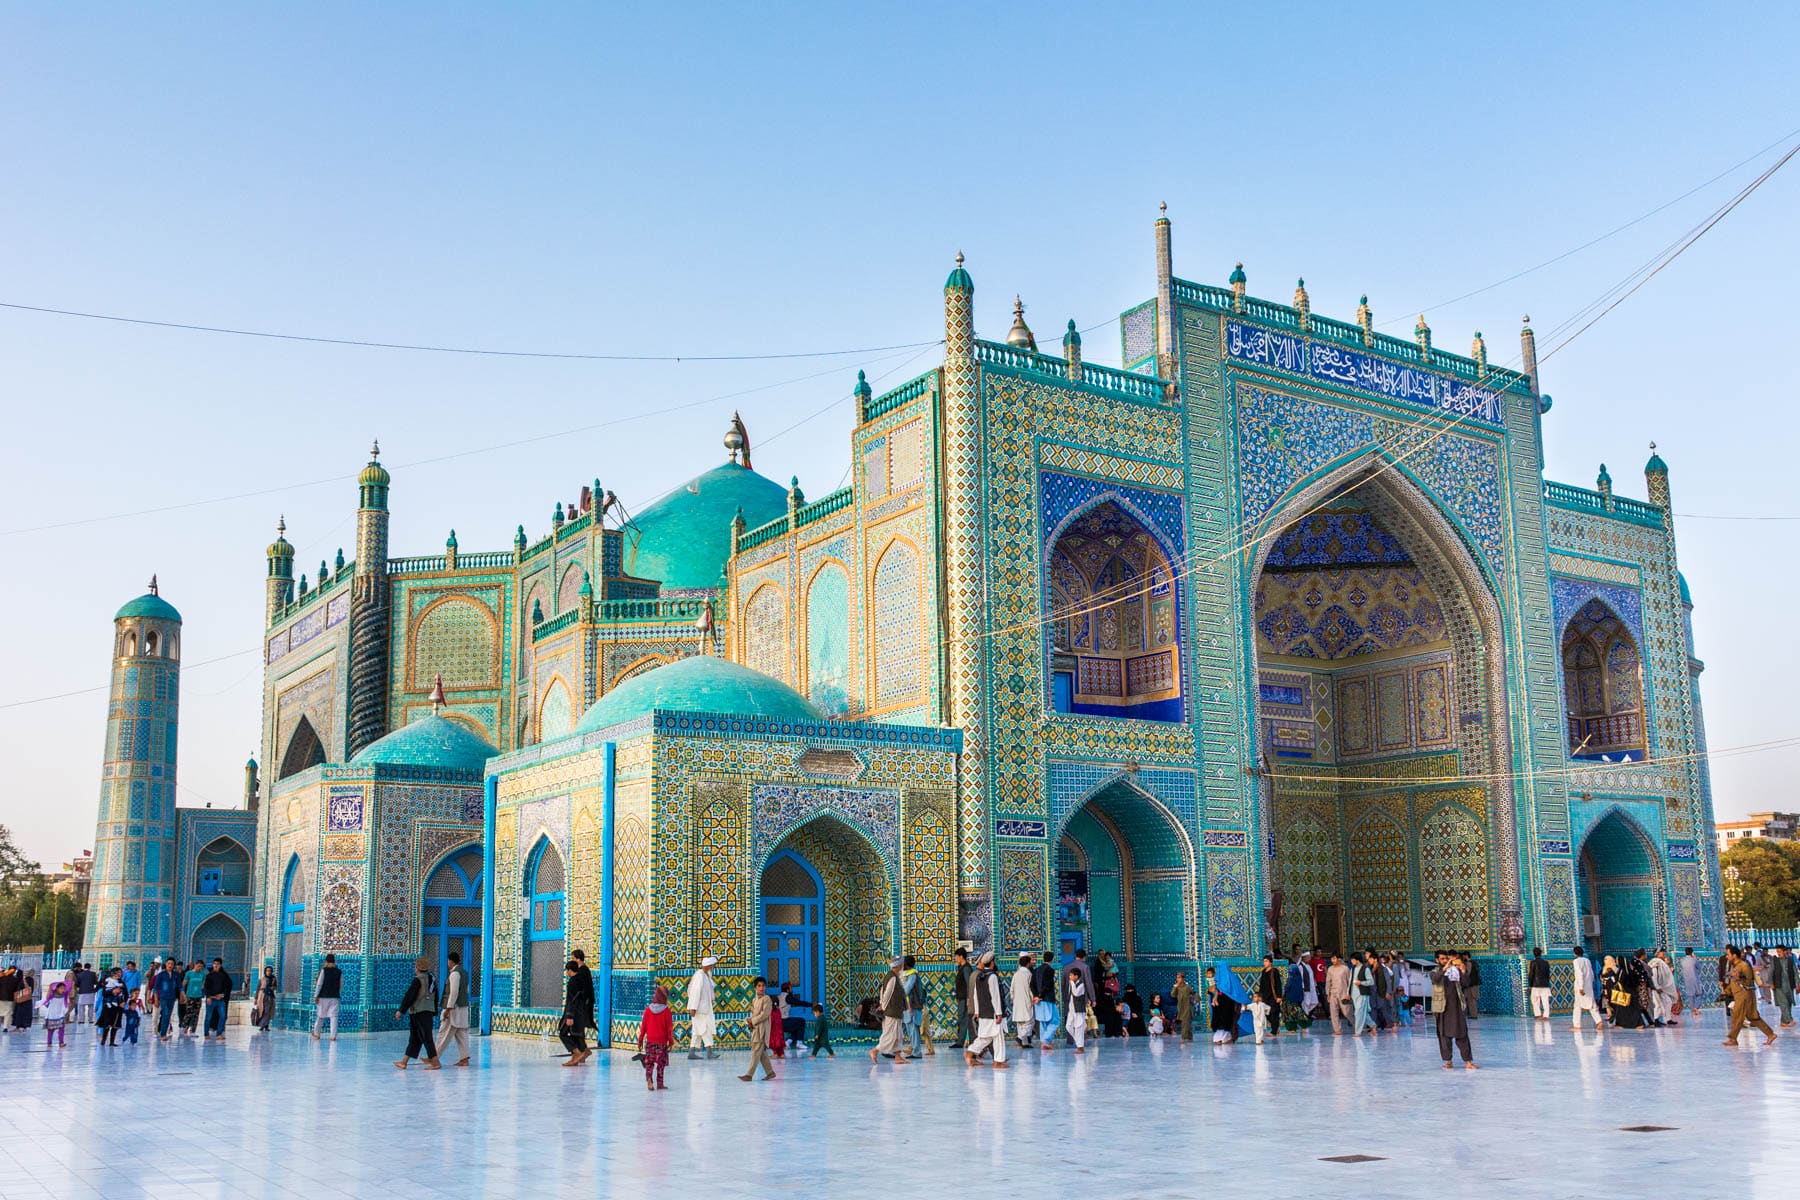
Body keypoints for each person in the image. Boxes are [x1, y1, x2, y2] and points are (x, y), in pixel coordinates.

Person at [392, 956, 441, 1070]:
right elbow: (435, 996)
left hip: (418, 1012)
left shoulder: (418, 980)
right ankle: (404, 1062)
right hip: (427, 1011)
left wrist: (401, 1010)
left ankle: (435, 1062)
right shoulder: (431, 978)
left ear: (418, 967)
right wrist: (434, 1011)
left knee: (426, 1037)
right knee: (415, 1038)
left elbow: (410, 996)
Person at [1722, 945, 1776, 1047]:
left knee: (1737, 1016)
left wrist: (1739, 978)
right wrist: (1727, 991)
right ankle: (1770, 1034)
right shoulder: (1735, 965)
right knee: (1752, 1017)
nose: (1726, 956)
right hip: (1739, 994)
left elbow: (1748, 981)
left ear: (1734, 955)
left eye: (1728, 954)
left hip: (1745, 994)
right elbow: (1733, 981)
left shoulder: (1744, 966)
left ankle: (1733, 1039)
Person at [1430, 952, 1475, 1069]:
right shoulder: (1435, 971)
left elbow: (1466, 983)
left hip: (1456, 1008)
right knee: (1444, 1036)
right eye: (1442, 959)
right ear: (1437, 960)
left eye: (1447, 958)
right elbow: (1435, 979)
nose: (1445, 960)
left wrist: (1463, 970)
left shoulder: (1455, 971)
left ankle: (1468, 1061)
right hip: (1441, 1008)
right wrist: (1444, 969)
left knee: (1462, 1034)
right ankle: (1448, 1061)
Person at [965, 951, 1010, 1069]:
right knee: (997, 1036)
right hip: (992, 1012)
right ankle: (998, 1062)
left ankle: (970, 1052)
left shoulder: (979, 976)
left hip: (983, 1013)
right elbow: (995, 996)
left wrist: (977, 1012)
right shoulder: (992, 976)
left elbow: (975, 995)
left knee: (986, 1037)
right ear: (992, 962)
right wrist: (999, 1013)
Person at [870, 957, 909, 1064]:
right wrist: (883, 1006)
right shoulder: (892, 978)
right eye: (901, 964)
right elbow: (887, 993)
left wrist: (882, 1003)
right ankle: (875, 1050)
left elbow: (882, 991)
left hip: (895, 1011)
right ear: (899, 965)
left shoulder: (893, 976)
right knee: (890, 1036)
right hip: (891, 1011)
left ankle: (898, 1057)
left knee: (898, 1034)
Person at [558, 958, 595, 1066]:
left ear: (570, 970)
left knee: (563, 1032)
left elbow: (572, 1000)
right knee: (577, 1034)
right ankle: (582, 1052)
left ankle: (577, 1052)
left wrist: (569, 1016)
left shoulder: (573, 982)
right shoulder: (582, 980)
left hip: (572, 1013)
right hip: (581, 1012)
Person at [638, 984, 674, 1091]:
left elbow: (643, 1027)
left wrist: (640, 1041)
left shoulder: (648, 1010)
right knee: (660, 1064)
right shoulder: (667, 1011)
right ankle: (660, 1083)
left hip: (650, 1042)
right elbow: (669, 1029)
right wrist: (671, 1042)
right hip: (662, 1042)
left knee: (649, 1063)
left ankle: (649, 1081)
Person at [739, 976, 776, 1081]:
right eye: (759, 986)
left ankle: (749, 1075)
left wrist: (752, 1020)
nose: (761, 988)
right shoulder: (755, 1000)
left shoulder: (767, 999)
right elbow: (754, 1014)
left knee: (756, 1052)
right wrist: (749, 1022)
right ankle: (770, 1072)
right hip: (756, 1029)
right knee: (761, 1053)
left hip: (762, 1030)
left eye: (763, 985)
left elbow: (765, 1014)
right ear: (755, 987)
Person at [439, 950, 471, 1067]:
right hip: (463, 1007)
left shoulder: (454, 974)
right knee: (461, 1034)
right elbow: (466, 990)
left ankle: (434, 1057)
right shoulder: (464, 973)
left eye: (448, 960)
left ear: (451, 961)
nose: (447, 962)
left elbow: (453, 993)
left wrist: (448, 1009)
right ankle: (464, 1059)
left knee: (443, 1033)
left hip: (454, 1009)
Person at [685, 954, 718, 1060]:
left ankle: (691, 1052)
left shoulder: (706, 975)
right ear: (708, 965)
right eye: (712, 965)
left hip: (704, 1008)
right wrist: (693, 1008)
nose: (713, 967)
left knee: (697, 1030)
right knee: (705, 1029)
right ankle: (709, 1052)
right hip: (700, 1009)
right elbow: (695, 992)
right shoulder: (700, 976)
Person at [1204, 967, 1239, 1043]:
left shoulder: (1229, 980)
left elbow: (1232, 992)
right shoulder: (1216, 980)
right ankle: (1220, 1038)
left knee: (1226, 1019)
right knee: (1218, 1019)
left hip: (1227, 1004)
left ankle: (1227, 1037)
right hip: (1218, 1005)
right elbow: (1211, 991)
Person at [1571, 945, 1602, 1031]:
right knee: (1592, 1004)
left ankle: (1576, 1025)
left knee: (1577, 1005)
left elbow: (1579, 974)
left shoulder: (1576, 961)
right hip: (1588, 986)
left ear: (1575, 953)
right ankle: (1598, 1021)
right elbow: (1591, 974)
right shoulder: (1587, 960)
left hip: (1581, 987)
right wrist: (1590, 984)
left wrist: (1581, 987)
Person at [312, 953, 343, 1040]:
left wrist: (316, 995)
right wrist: (336, 992)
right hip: (335, 997)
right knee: (334, 1016)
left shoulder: (324, 970)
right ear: (334, 961)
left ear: (326, 961)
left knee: (320, 1015)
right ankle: (333, 1036)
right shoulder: (339, 971)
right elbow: (341, 984)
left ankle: (317, 1033)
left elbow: (319, 984)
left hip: (323, 996)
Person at [1032, 953, 1059, 1050]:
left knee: (1043, 1022)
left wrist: (1036, 996)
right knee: (1055, 1020)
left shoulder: (1036, 970)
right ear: (1052, 959)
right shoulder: (1050, 970)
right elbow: (1048, 985)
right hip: (1047, 999)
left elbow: (1032, 985)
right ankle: (1045, 1040)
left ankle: (1044, 1042)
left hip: (1038, 1001)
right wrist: (1040, 996)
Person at [901, 955, 927, 1056]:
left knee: (913, 1029)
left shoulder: (912, 975)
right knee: (910, 1029)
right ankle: (915, 1051)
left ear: (906, 965)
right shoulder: (910, 975)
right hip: (910, 1006)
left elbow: (906, 990)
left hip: (912, 1006)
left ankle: (917, 1052)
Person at [202, 958, 233, 1040]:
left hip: (220, 1000)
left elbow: (226, 987)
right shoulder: (209, 976)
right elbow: (206, 987)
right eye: (214, 964)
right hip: (211, 999)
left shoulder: (223, 976)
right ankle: (206, 1034)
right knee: (208, 1017)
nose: (215, 965)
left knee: (222, 1016)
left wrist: (223, 995)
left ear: (220, 965)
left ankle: (219, 1033)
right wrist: (208, 996)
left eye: (217, 964)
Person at [1010, 954, 1036, 1049]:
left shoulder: (1016, 974)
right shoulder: (1028, 974)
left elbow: (1011, 988)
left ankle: (1025, 1043)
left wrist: (1013, 999)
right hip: (1026, 1000)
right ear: (1028, 963)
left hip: (1017, 1001)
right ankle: (1020, 1037)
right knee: (1030, 1021)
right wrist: (1034, 998)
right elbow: (1031, 989)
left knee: (1020, 1023)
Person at [1062, 962, 1089, 1053]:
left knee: (1078, 1028)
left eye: (1071, 975)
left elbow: (1076, 993)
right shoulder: (1071, 983)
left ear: (1076, 976)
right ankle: (1079, 1041)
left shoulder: (1081, 985)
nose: (1069, 977)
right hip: (1071, 1010)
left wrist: (1072, 984)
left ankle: (1080, 1047)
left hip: (1078, 1010)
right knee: (1068, 1026)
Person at [1768, 945, 1795, 1028]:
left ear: (1785, 951)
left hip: (1789, 985)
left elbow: (1795, 973)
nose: (1778, 953)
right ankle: (1789, 1019)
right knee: (1783, 1003)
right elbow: (1770, 972)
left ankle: (1783, 1022)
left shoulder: (1790, 960)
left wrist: (1798, 983)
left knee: (1789, 1002)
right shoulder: (1775, 960)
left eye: (1780, 952)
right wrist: (1771, 983)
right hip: (1779, 985)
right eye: (1777, 952)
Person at [1650, 950, 1680, 1026]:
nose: (1663, 953)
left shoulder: (1661, 963)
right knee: (1658, 1004)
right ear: (1657, 954)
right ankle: (1656, 1020)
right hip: (1657, 988)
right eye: (1661, 952)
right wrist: (1656, 987)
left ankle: (1668, 1019)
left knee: (1668, 1002)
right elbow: (1654, 976)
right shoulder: (1655, 963)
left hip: (1662, 988)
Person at [951, 948, 973, 1048]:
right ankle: (961, 1041)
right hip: (962, 998)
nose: (955, 958)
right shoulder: (962, 968)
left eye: (956, 956)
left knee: (964, 1019)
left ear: (961, 956)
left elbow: (969, 984)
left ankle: (960, 1042)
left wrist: (969, 998)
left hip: (965, 999)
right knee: (962, 1019)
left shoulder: (966, 968)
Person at [152, 961, 179, 1041]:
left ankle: (163, 1032)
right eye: (168, 963)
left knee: (168, 1016)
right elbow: (155, 988)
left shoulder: (175, 975)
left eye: (172, 964)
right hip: (163, 997)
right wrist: (156, 999)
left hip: (172, 998)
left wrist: (182, 995)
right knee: (166, 1013)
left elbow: (180, 986)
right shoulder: (161, 975)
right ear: (166, 964)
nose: (170, 965)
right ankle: (163, 1034)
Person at [1325, 953, 1351, 1034]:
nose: (1333, 960)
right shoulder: (1330, 969)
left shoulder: (1345, 969)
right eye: (1332, 959)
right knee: (1333, 1012)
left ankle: (1356, 1025)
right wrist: (1328, 993)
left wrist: (1349, 993)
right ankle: (1337, 1030)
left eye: (1334, 958)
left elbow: (1349, 981)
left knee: (1347, 1012)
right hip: (1333, 993)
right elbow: (1328, 982)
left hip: (1343, 993)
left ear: (1339, 959)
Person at [1349, 952, 1374, 1036]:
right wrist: (1347, 993)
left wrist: (1361, 983)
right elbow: (1350, 982)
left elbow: (1371, 982)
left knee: (1358, 1012)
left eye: (1352, 959)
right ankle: (1373, 1025)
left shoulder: (1365, 969)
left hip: (1362, 994)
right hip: (1354, 994)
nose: (1351, 961)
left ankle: (1358, 1031)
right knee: (1363, 1013)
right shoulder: (1352, 969)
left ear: (1357, 960)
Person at [180, 960, 205, 1037]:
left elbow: (203, 985)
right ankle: (183, 1027)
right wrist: (183, 995)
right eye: (198, 966)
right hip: (190, 996)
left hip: (198, 996)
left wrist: (202, 993)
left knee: (196, 1014)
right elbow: (183, 984)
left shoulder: (202, 974)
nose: (199, 968)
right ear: (195, 965)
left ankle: (193, 1030)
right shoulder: (189, 973)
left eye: (201, 966)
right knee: (189, 1013)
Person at [1679, 947, 1705, 1023]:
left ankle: (1692, 1010)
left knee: (1690, 996)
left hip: (1687, 981)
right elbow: (1699, 968)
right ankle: (1696, 1008)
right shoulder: (1694, 960)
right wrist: (1695, 958)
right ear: (1691, 953)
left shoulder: (1682, 961)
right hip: (1695, 980)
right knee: (1700, 993)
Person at [42, 980, 70, 1048]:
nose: (63, 990)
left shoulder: (65, 995)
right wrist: (49, 988)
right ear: (57, 988)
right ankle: (49, 1043)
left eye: (64, 988)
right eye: (61, 988)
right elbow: (47, 999)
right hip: (52, 1015)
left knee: (61, 1029)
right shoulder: (52, 995)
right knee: (50, 1030)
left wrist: (66, 1011)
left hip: (60, 1014)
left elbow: (67, 1003)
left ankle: (61, 1043)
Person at [1528, 947, 1552, 1020]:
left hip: (1536, 985)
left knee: (1535, 1000)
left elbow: (1531, 974)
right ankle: (1546, 1015)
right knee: (1545, 1001)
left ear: (1534, 954)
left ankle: (1537, 1014)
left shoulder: (1533, 963)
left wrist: (1530, 984)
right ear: (1540, 954)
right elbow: (1548, 974)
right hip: (1545, 985)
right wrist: (1547, 982)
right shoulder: (1546, 963)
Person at [252, 966, 277, 1032]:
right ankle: (263, 1025)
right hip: (261, 996)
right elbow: (257, 989)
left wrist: (272, 988)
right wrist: (255, 998)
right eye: (267, 971)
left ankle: (265, 1026)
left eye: (270, 971)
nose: (268, 972)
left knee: (267, 1011)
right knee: (261, 1011)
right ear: (265, 971)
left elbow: (275, 986)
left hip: (269, 996)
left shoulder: (273, 979)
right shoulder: (262, 979)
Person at [1173, 970, 1195, 1043]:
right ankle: (1189, 1036)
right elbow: (1172, 995)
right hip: (1180, 1007)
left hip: (1187, 1007)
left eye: (1179, 978)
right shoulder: (1177, 987)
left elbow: (1193, 993)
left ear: (1183, 979)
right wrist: (1175, 987)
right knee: (1185, 1022)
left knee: (1185, 1023)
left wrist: (1194, 1000)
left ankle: (1183, 1038)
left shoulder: (1187, 987)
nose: (1177, 979)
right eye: (1177, 978)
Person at [1460, 953, 1482, 1020]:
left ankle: (1474, 1015)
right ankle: (1472, 1014)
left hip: (1471, 986)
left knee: (1471, 1000)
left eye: (1463, 956)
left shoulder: (1469, 963)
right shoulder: (1474, 963)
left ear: (1466, 956)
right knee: (1470, 1000)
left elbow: (1467, 973)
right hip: (1472, 985)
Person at [0, 963, 16, 1032]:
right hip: (9, 998)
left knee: (0, 1012)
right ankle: (5, 1027)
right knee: (7, 1013)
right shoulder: (15, 979)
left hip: (0, 997)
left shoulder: (2, 977)